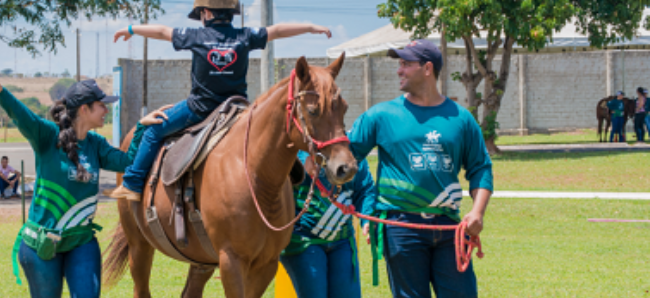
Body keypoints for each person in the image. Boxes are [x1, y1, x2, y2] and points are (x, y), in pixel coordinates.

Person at [109, 0, 334, 202]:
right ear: (231, 13)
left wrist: (131, 28)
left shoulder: (195, 36)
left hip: (199, 109)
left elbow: (161, 31)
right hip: (237, 111)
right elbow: (276, 30)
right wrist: (311, 28)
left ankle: (132, 183)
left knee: (154, 131)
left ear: (205, 13)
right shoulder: (244, 36)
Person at [0, 74, 169, 298]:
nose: (106, 110)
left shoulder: (97, 145)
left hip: (81, 242)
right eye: (101, 106)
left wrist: (141, 128)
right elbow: (22, 116)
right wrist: (0, 93)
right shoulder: (47, 135)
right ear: (84, 109)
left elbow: (128, 161)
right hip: (41, 245)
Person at [348, 39, 494, 298]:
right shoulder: (380, 116)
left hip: (450, 227)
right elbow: (345, 159)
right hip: (400, 229)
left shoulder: (461, 119)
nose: (399, 70)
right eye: (399, 64)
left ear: (427, 69)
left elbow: (480, 168)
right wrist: (366, 209)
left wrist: (478, 212)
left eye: (405, 64)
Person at [279, 151, 376, 298]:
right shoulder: (297, 150)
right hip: (304, 240)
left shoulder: (353, 152)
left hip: (342, 241)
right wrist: (300, 167)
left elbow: (365, 190)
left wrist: (367, 218)